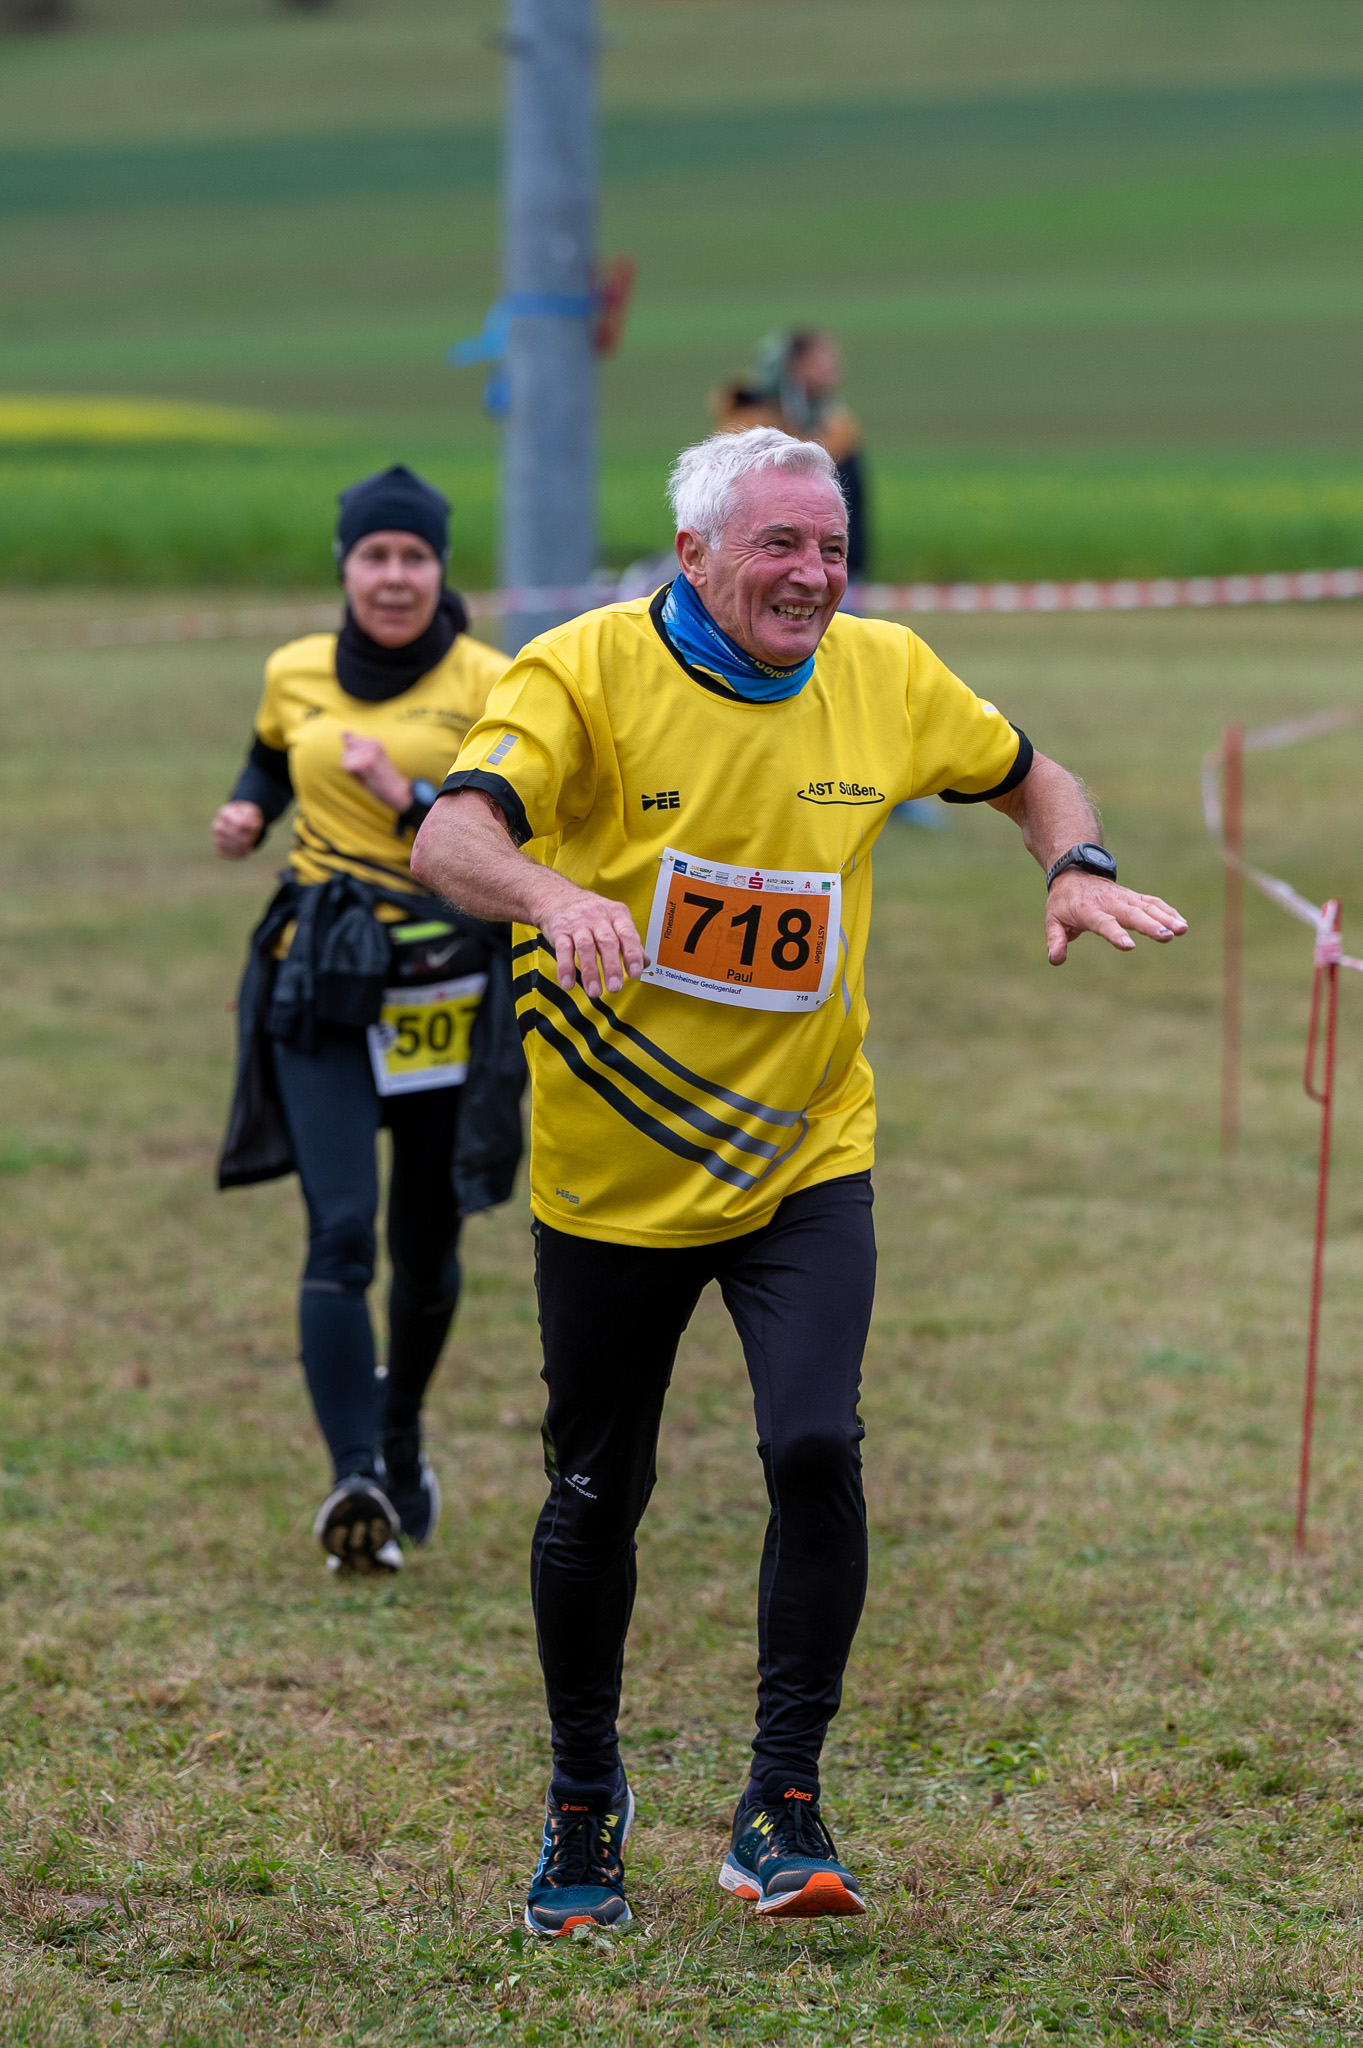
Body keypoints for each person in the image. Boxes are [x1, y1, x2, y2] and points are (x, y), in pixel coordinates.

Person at [410, 426, 1186, 1933]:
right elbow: (451, 835)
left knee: (816, 1446)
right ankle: (581, 1799)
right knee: (596, 1492)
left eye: (830, 548)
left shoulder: (883, 673)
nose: (814, 576)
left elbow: (1032, 775)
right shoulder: (579, 672)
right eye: (779, 544)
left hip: (805, 1153)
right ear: (693, 553)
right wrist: (552, 892)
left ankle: (781, 1801)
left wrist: (1074, 863)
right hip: (613, 1171)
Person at [213, 464, 524, 1574]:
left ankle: (400, 1437)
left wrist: (407, 798)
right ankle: (357, 1479)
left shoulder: (492, 682)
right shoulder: (293, 669)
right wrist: (249, 807)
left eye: (414, 556)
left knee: (425, 1248)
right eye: (374, 556)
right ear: (346, 567)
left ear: (441, 570)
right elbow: (269, 753)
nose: (394, 576)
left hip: (441, 987)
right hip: (320, 978)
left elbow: (516, 836)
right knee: (340, 1231)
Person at [713, 330, 869, 575]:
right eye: (821, 360)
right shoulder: (751, 426)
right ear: (792, 366)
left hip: (839, 562)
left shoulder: (838, 426)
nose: (834, 369)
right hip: (766, 565)